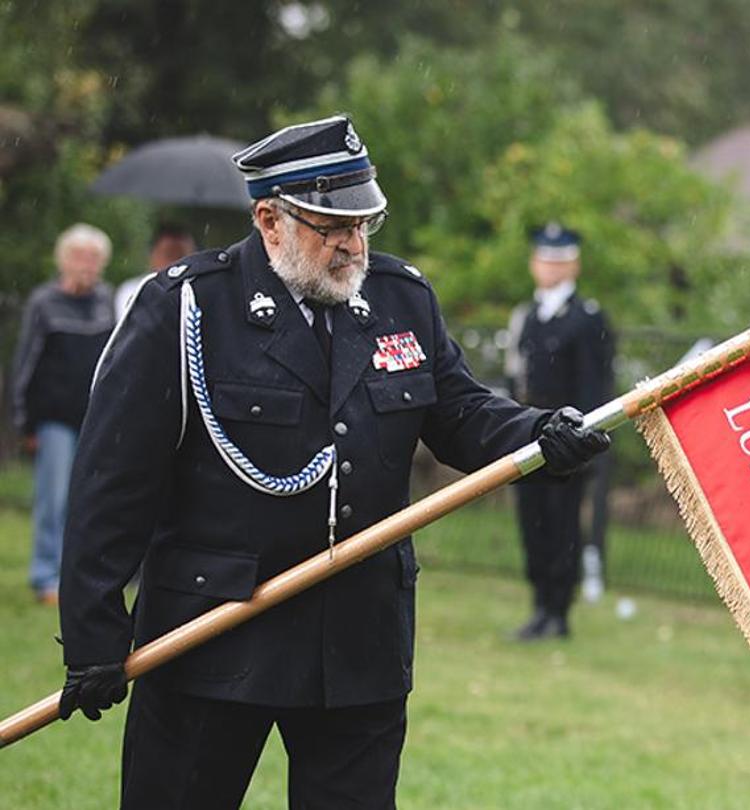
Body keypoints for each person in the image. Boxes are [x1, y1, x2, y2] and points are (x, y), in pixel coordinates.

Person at [54, 115, 613, 809]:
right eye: (332, 227)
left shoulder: (400, 297)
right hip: (214, 631)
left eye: (363, 224)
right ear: (269, 219)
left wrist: (539, 433)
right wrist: (94, 632)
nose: (354, 244)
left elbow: (461, 413)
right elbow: (114, 479)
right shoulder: (189, 306)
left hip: (357, 638)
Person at [506, 222, 614, 640]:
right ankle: (539, 604)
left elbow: (593, 386)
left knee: (562, 525)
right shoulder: (529, 316)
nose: (548, 268)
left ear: (573, 265)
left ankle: (558, 609)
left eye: (557, 261)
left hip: (567, 443)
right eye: (543, 260)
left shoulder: (586, 319)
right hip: (531, 437)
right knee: (533, 523)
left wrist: (585, 443)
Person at [12, 223, 117, 605]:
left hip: (95, 418)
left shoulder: (106, 302)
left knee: (90, 500)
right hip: (53, 418)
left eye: (93, 258)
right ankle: (45, 575)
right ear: (64, 260)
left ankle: (80, 575)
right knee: (53, 499)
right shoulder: (44, 302)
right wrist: (23, 420)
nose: (86, 264)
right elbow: (26, 362)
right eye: (79, 257)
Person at [115, 224, 197, 321]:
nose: (176, 262)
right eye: (169, 254)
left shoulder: (200, 291)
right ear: (153, 255)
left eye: (182, 256)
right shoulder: (132, 291)